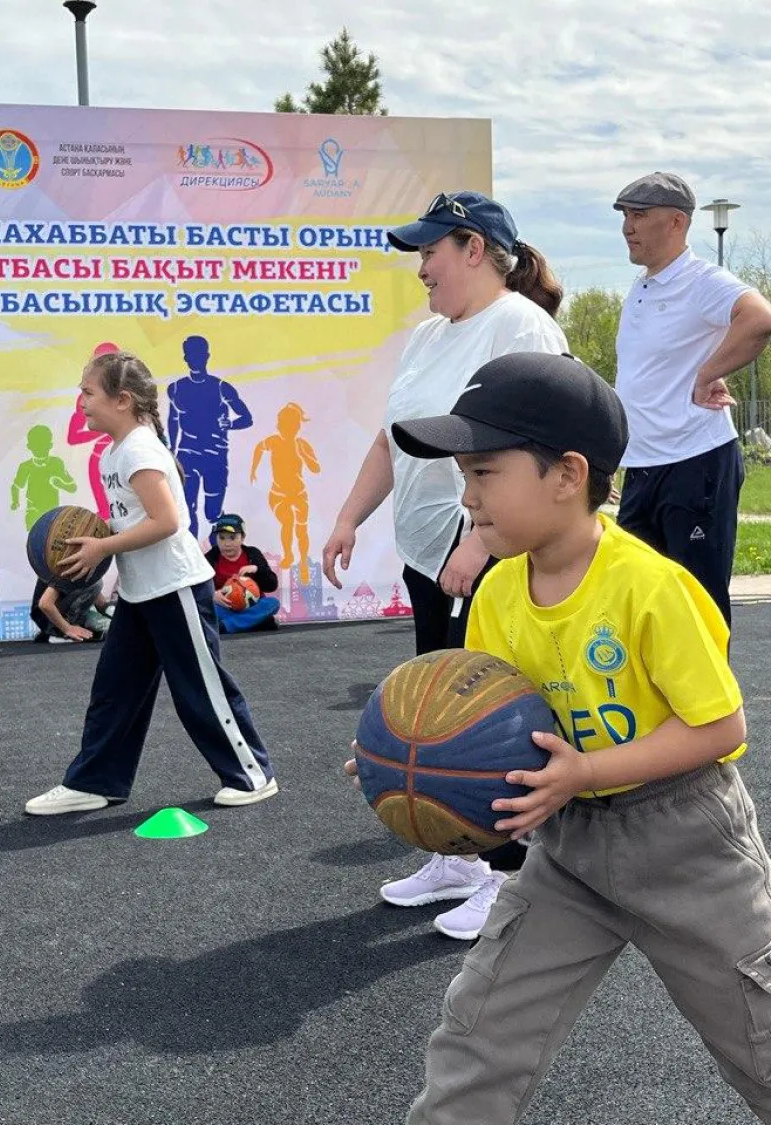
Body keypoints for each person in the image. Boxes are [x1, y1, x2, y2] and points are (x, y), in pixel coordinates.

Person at [367, 351, 771, 1125]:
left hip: (688, 843)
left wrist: (583, 771)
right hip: (570, 852)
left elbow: (720, 726)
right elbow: (489, 730)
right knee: (479, 1031)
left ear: (567, 474)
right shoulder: (498, 591)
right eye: (464, 474)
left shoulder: (650, 587)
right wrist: (411, 767)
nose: (468, 497)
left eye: (485, 472)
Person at [320, 190, 567, 941]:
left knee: (498, 718)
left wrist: (481, 539)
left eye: (429, 251)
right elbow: (394, 439)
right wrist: (347, 517)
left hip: (487, 555)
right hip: (431, 557)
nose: (420, 267)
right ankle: (462, 856)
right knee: (445, 717)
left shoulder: (521, 326)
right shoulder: (428, 339)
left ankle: (516, 877)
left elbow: (543, 446)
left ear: (471, 248)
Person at [24, 350, 278, 816]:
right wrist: (99, 537)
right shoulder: (116, 452)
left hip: (176, 588)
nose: (80, 401)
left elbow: (167, 522)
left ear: (122, 400)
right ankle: (95, 781)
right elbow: (135, 520)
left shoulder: (140, 449)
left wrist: (104, 547)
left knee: (200, 688)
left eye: (88, 392)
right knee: (114, 689)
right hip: (142, 592)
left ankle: (252, 775)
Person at [612, 172, 771, 626]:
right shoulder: (642, 287)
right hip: (643, 466)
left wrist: (709, 373)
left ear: (676, 223)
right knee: (640, 604)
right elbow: (641, 380)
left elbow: (761, 318)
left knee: (696, 605)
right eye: (626, 216)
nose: (628, 227)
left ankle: (714, 701)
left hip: (694, 462)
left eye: (639, 215)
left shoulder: (700, 279)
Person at [167, 334, 253, 535]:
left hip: (214, 455)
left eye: (198, 355)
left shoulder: (222, 388)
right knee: (187, 509)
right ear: (185, 358)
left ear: (207, 356)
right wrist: (171, 450)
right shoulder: (176, 388)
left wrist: (230, 423)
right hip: (187, 454)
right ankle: (193, 555)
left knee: (212, 513)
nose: (194, 359)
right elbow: (173, 420)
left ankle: (217, 556)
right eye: (190, 355)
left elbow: (247, 417)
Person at [250, 401, 321, 582]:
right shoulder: (274, 441)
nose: (287, 429)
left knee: (301, 529)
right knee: (288, 521)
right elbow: (259, 447)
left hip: (299, 493)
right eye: (283, 424)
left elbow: (315, 468)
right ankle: (289, 554)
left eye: (292, 425)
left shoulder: (302, 444)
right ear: (279, 425)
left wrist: (304, 455)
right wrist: (253, 469)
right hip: (278, 494)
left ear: (297, 426)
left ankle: (303, 563)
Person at [66, 340, 120, 520]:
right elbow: (73, 437)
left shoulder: (131, 394)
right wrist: (105, 430)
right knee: (106, 516)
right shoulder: (85, 398)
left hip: (129, 459)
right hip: (99, 462)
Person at [204, 512, 281, 634]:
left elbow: (272, 585)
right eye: (221, 537)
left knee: (273, 604)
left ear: (243, 538)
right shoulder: (210, 558)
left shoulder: (252, 554)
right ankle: (256, 622)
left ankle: (226, 626)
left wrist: (256, 569)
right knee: (205, 609)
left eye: (232, 538)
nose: (227, 544)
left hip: (253, 606)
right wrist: (212, 595)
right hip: (225, 607)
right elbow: (199, 588)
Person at [10, 423, 76, 531]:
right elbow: (16, 486)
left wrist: (60, 484)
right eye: (37, 445)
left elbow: (72, 487)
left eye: (43, 445)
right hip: (33, 511)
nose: (40, 449)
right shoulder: (25, 467)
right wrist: (15, 501)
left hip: (53, 513)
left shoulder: (56, 463)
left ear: (50, 445)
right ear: (29, 447)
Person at [30, 576, 112, 643]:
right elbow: (45, 604)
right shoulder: (66, 568)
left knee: (111, 629)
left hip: (56, 616)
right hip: (47, 618)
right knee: (95, 583)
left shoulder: (87, 567)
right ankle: (58, 630)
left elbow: (101, 602)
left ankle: (57, 629)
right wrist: (68, 628)